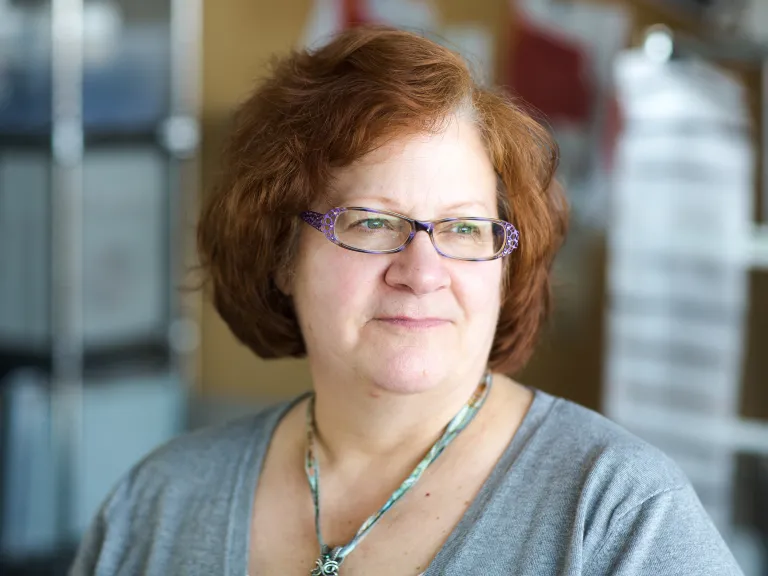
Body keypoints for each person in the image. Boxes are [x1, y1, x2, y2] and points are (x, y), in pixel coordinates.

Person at [70, 25, 744, 576]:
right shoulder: (156, 506)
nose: (423, 271)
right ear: (281, 255)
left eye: (464, 228)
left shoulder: (619, 518)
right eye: (371, 222)